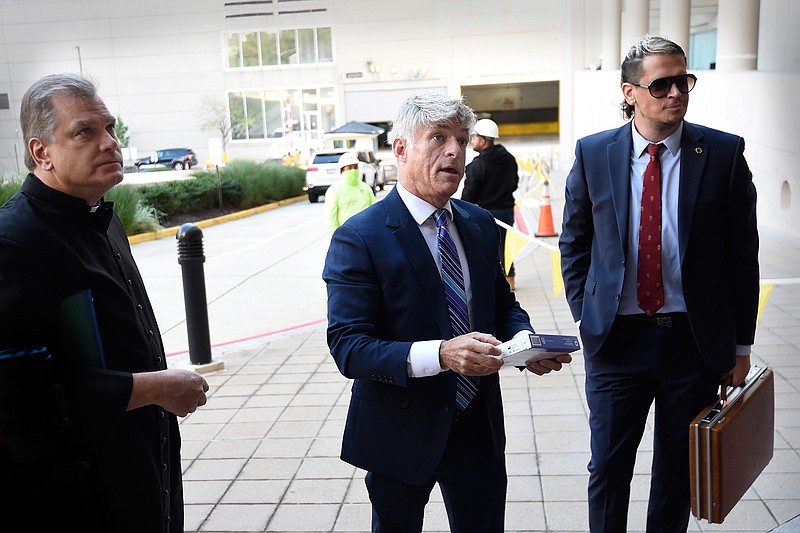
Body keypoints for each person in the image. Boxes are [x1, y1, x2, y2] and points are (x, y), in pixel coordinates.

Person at [323, 93, 572, 533]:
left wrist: (525, 344)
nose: (455, 150)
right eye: (437, 138)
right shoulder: (360, 236)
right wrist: (441, 354)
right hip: (398, 430)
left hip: (477, 426)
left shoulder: (477, 223)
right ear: (400, 149)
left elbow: (502, 305)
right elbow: (349, 347)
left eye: (461, 138)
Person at [559, 35, 759, 533]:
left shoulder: (722, 152)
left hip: (690, 342)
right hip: (615, 341)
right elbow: (574, 241)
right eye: (662, 84)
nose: (676, 93)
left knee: (675, 472)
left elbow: (742, 257)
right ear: (630, 92)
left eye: (683, 81)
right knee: (607, 466)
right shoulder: (592, 154)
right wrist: (586, 314)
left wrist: (740, 345)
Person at [0, 73, 210, 532]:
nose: (109, 143)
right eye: (85, 132)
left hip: (143, 466)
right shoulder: (15, 241)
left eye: (110, 128)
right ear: (41, 152)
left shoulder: (103, 221)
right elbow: (21, 399)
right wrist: (152, 388)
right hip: (78, 492)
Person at [461, 118, 519, 289]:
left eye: (474, 137)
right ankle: (509, 279)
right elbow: (514, 183)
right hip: (507, 210)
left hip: (487, 212)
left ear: (484, 140)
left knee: (488, 248)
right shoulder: (508, 158)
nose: (472, 140)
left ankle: (495, 283)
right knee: (504, 246)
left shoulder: (478, 165)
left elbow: (469, 194)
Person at [325, 151, 376, 233]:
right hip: (346, 237)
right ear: (342, 170)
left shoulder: (366, 188)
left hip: (367, 234)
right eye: (349, 168)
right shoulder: (334, 190)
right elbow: (331, 219)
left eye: (355, 167)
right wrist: (336, 238)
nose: (353, 170)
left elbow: (374, 213)